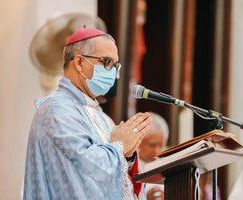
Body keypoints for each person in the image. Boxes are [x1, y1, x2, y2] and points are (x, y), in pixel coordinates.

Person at [23, 27, 152, 200]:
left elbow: (117, 174)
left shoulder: (99, 115)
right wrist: (120, 146)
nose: (112, 72)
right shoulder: (57, 111)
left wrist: (127, 155)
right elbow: (85, 171)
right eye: (106, 62)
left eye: (115, 65)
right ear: (79, 62)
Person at [138, 112, 169, 200]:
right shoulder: (128, 166)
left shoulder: (167, 165)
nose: (157, 151)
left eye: (161, 145)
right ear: (139, 142)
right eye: (152, 145)